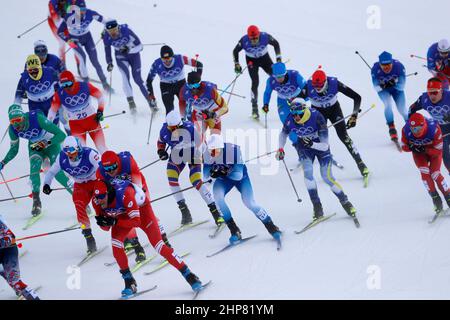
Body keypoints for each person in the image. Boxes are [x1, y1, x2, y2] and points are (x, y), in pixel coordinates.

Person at [91, 179, 204, 297]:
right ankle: (129, 282)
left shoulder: (126, 194)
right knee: (116, 246)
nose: (99, 200)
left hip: (143, 213)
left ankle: (189, 275)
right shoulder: (97, 201)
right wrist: (103, 223)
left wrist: (114, 221)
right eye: (97, 197)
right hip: (122, 217)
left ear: (109, 192)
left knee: (159, 246)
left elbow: (136, 222)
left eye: (102, 196)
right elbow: (106, 228)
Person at [276, 98, 358, 222]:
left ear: (304, 110)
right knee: (308, 174)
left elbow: (325, 145)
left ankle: (345, 202)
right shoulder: (289, 119)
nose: (295, 117)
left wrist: (312, 144)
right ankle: (317, 207)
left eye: (298, 113)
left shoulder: (317, 117)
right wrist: (280, 148)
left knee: (327, 177)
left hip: (321, 148)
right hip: (304, 148)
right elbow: (283, 134)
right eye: (293, 113)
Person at [203, 134, 281, 243]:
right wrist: (212, 173)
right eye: (211, 151)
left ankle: (271, 227)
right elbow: (205, 175)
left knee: (249, 202)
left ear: (221, 147)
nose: (212, 154)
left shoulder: (233, 150)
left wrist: (224, 171)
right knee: (218, 199)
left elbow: (238, 175)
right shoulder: (207, 154)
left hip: (241, 178)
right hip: (223, 180)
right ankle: (234, 230)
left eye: (215, 150)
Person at [97, 150, 169, 262]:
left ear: (118, 162)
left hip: (137, 190)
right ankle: (137, 247)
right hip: (121, 196)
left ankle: (164, 242)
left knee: (146, 215)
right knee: (125, 218)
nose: (111, 171)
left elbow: (138, 183)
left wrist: (136, 200)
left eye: (114, 167)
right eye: (108, 169)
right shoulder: (100, 172)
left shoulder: (127, 161)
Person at [0, 104, 71, 217]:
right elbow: (14, 150)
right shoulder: (12, 130)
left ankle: (78, 198)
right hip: (35, 146)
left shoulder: (37, 119)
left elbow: (61, 135)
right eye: (13, 121)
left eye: (18, 120)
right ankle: (36, 202)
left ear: (23, 117)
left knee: (57, 173)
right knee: (34, 172)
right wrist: (3, 162)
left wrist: (46, 143)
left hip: (51, 143)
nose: (17, 124)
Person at [300, 68, 369, 180]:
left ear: (325, 82)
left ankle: (361, 165)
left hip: (334, 111)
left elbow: (357, 97)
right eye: (315, 86)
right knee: (319, 140)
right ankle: (323, 168)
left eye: (319, 86)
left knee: (344, 136)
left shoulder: (334, 83)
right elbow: (297, 101)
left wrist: (354, 116)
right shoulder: (308, 86)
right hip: (318, 114)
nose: (317, 88)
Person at [157, 110, 223, 226]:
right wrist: (161, 151)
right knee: (172, 179)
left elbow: (203, 145)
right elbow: (160, 142)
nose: (172, 130)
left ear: (179, 125)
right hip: (177, 157)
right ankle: (185, 212)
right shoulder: (164, 130)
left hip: (193, 155)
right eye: (170, 127)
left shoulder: (190, 128)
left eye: (174, 128)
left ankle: (216, 212)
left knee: (196, 181)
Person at [43, 136, 99, 254]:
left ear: (78, 149)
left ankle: (126, 236)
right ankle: (89, 238)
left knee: (101, 206)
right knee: (78, 204)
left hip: (95, 182)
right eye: (66, 151)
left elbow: (103, 168)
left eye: (72, 151)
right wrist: (46, 184)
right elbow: (52, 171)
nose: (69, 154)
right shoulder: (62, 157)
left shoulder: (90, 154)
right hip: (80, 185)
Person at [57, 2, 112, 92]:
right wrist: (67, 40)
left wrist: (104, 32)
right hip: (74, 39)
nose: (82, 12)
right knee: (82, 57)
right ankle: (86, 84)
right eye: (80, 10)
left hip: (87, 38)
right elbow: (60, 32)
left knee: (95, 61)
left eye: (84, 10)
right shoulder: (69, 16)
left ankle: (105, 84)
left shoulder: (90, 13)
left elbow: (106, 22)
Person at [103, 19, 156, 112]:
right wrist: (109, 62)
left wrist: (129, 50)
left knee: (137, 79)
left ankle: (150, 101)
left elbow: (140, 46)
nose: (113, 33)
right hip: (120, 57)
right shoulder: (106, 37)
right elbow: (107, 50)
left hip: (134, 55)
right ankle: (131, 103)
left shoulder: (126, 31)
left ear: (118, 27)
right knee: (125, 77)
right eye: (110, 31)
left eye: (114, 30)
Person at [48, 70, 107, 154]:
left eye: (68, 84)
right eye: (64, 85)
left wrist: (100, 111)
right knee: (81, 152)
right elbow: (52, 111)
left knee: (102, 148)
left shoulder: (85, 86)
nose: (67, 87)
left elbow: (100, 96)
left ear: (73, 81)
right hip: (76, 125)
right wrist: (48, 124)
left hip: (92, 121)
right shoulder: (59, 94)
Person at [401, 113, 450, 213]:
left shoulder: (434, 128)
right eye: (413, 129)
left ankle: (448, 197)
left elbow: (438, 150)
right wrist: (411, 147)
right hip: (419, 154)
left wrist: (425, 150)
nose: (416, 132)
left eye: (418, 128)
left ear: (424, 125)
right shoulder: (405, 129)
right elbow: (403, 146)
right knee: (424, 172)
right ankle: (436, 200)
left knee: (435, 174)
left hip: (433, 153)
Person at [233, 25, 282, 119]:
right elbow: (235, 51)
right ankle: (254, 107)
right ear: (248, 37)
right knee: (255, 82)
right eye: (252, 38)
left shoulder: (265, 37)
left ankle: (288, 98)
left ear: (259, 35)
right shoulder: (244, 40)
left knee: (277, 77)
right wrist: (237, 64)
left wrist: (278, 59)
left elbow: (276, 43)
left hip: (265, 60)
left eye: (256, 38)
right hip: (252, 62)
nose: (254, 40)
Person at [409, 78, 450, 173]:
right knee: (445, 153)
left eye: (435, 92)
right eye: (429, 92)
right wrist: (412, 125)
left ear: (441, 91)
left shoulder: (448, 96)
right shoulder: (424, 99)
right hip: (441, 129)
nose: (432, 96)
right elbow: (411, 110)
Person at [147, 45, 203, 114]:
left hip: (181, 84)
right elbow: (149, 80)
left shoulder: (180, 59)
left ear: (172, 57)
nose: (167, 61)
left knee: (187, 109)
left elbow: (199, 64)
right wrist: (151, 95)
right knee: (169, 110)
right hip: (166, 87)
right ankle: (171, 124)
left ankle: (188, 123)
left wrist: (197, 78)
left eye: (169, 58)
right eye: (164, 59)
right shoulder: (156, 64)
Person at [0, 215, 40, 300]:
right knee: (15, 282)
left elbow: (10, 237)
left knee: (15, 281)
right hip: (9, 247)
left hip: (8, 249)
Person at [179, 72, 228, 138]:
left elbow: (225, 108)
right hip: (198, 115)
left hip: (213, 116)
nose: (193, 89)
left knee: (216, 139)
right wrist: (182, 118)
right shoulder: (184, 91)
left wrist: (214, 114)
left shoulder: (210, 90)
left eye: (196, 85)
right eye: (190, 86)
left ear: (200, 83)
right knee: (197, 140)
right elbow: (181, 103)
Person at [371, 51, 408, 142]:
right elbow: (376, 88)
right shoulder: (375, 69)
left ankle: (409, 126)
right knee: (388, 104)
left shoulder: (399, 66)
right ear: (380, 64)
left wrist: (392, 83)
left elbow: (401, 86)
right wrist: (384, 86)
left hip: (397, 90)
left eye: (389, 65)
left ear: (392, 62)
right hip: (384, 91)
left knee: (402, 109)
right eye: (384, 66)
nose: (386, 68)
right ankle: (391, 127)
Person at [15, 54, 59, 119]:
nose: (33, 73)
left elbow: (60, 83)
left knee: (53, 124)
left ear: (40, 67)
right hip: (34, 105)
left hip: (50, 101)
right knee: (37, 124)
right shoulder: (24, 78)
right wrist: (16, 108)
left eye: (35, 70)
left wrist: (59, 93)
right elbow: (18, 94)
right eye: (30, 70)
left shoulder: (49, 72)